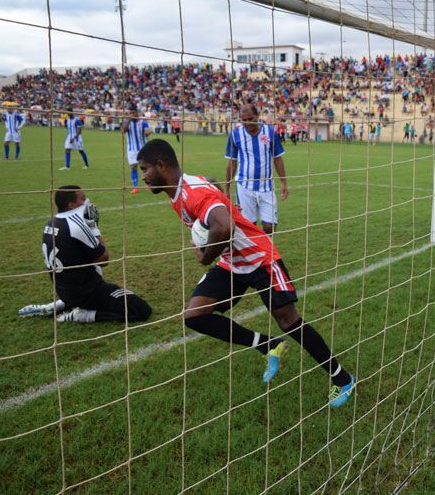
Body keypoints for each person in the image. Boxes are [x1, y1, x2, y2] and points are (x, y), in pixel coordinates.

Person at [136, 139, 355, 408]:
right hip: (232, 263)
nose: (143, 177)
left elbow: (224, 227)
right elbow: (212, 184)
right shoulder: (181, 191)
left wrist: (204, 257)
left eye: (144, 169)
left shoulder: (193, 193)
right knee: (195, 315)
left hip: (260, 257)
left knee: (288, 321)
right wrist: (217, 193)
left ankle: (342, 379)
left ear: (161, 165)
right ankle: (267, 345)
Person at [18, 185, 152, 322]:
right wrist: (94, 227)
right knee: (141, 309)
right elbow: (104, 259)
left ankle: (59, 304)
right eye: (83, 198)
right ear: (71, 205)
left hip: (64, 291)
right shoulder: (75, 225)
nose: (87, 201)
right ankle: (83, 315)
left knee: (85, 262)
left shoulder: (50, 222)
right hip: (87, 293)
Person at [224, 104, 288, 235]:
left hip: (267, 186)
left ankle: (261, 247)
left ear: (258, 115)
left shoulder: (270, 132)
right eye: (244, 120)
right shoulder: (235, 135)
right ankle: (257, 252)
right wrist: (227, 188)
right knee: (249, 226)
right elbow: (232, 162)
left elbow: (277, 158)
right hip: (245, 186)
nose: (247, 123)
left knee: (270, 226)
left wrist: (283, 183)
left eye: (250, 118)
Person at [121, 104, 150, 194]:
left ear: (137, 113)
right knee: (134, 167)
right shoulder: (126, 122)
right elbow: (122, 131)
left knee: (145, 167)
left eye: (133, 112)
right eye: (130, 113)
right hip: (131, 149)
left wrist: (147, 133)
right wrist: (129, 120)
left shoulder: (143, 122)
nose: (132, 114)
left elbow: (147, 131)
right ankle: (135, 187)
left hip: (142, 148)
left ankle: (148, 184)